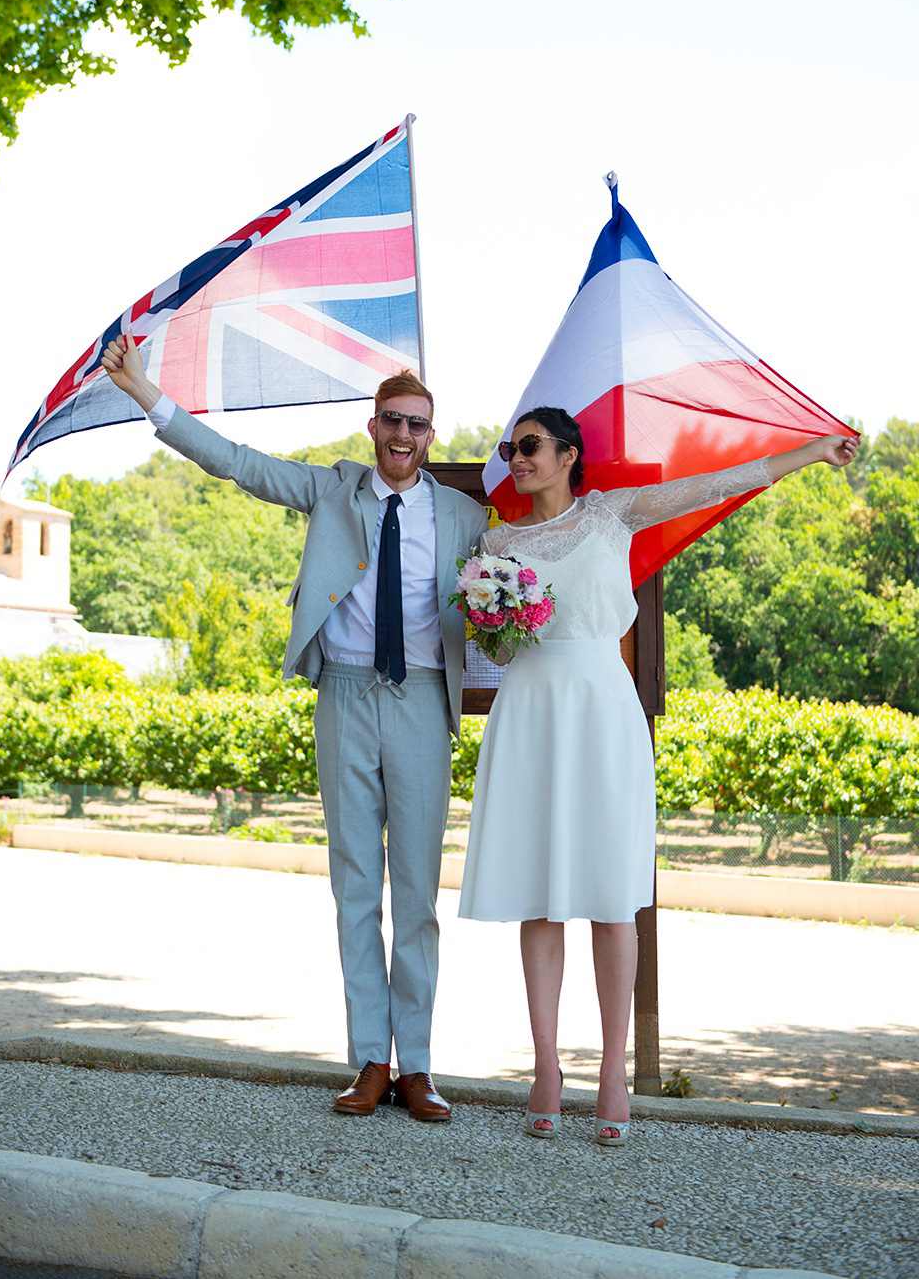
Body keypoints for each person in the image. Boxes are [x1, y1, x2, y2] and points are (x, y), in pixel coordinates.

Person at [103, 336, 488, 1122]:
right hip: (344, 697)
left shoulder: (465, 515)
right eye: (391, 421)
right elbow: (238, 463)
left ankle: (417, 1066)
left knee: (415, 894)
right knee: (355, 888)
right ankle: (370, 1064)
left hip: (421, 701)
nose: (404, 436)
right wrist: (148, 393)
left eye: (417, 423)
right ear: (371, 426)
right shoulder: (333, 490)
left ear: (432, 434)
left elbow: (521, 566)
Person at [458, 406, 858, 1145]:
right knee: (537, 898)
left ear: (569, 454)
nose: (518, 457)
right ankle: (546, 1067)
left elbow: (717, 484)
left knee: (613, 896)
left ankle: (613, 1070)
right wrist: (495, 621)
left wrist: (806, 451)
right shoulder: (496, 542)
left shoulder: (612, 514)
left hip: (602, 705)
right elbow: (500, 650)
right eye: (511, 447)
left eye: (532, 446)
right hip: (531, 707)